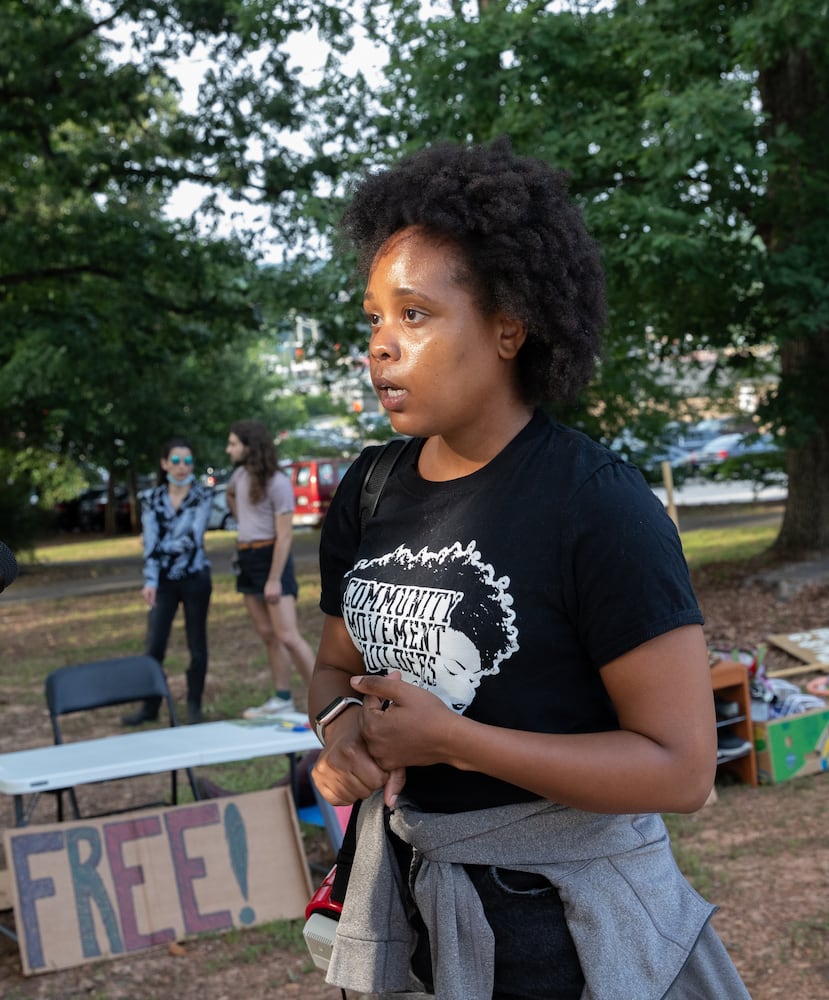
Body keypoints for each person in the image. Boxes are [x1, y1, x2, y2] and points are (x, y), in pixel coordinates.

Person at [308, 138, 751, 999]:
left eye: (415, 315)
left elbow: (682, 768)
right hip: (410, 906)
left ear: (509, 325)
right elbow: (332, 668)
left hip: (561, 926)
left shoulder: (597, 505)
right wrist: (338, 733)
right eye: (373, 319)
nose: (380, 348)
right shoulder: (369, 489)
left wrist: (455, 741)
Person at [225, 419, 315, 718]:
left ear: (250, 446)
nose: (229, 449)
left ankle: (331, 703)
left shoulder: (277, 481)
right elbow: (233, 500)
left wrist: (274, 579)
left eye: (234, 443)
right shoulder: (239, 476)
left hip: (271, 558)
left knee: (288, 635)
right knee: (267, 634)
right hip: (247, 558)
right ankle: (282, 698)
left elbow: (285, 534)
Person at [123, 437, 213, 727]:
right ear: (164, 464)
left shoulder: (203, 496)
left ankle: (194, 706)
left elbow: (192, 539)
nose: (182, 467)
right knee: (154, 645)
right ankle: (150, 707)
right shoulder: (150, 499)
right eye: (175, 460)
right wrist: (150, 580)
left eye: (187, 461)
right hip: (162, 581)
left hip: (195, 577)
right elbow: (149, 541)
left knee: (196, 643)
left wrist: (158, 545)